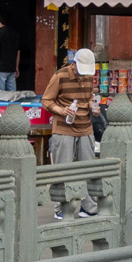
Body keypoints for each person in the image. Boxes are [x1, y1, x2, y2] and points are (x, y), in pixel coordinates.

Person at [40, 48, 99, 215]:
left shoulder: (89, 77)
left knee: (88, 169)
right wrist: (60, 110)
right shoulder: (60, 76)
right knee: (63, 169)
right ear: (74, 64)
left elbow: (89, 96)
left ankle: (89, 207)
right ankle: (61, 208)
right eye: (81, 71)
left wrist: (92, 105)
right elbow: (46, 100)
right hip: (63, 127)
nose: (83, 75)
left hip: (85, 126)